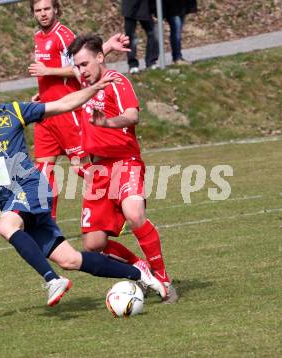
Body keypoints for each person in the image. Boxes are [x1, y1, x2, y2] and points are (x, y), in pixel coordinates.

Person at [0, 64, 167, 307]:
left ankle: (52, 279)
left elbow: (63, 104)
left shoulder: (14, 112)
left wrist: (92, 89)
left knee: (5, 225)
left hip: (30, 187)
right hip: (12, 200)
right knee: (70, 259)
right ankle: (140, 274)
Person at [67, 34, 178, 303]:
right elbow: (83, 66)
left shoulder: (118, 81)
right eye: (78, 66)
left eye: (84, 64)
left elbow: (132, 115)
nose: (81, 71)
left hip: (124, 160)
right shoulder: (86, 82)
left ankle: (163, 279)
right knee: (93, 246)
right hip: (98, 171)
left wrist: (107, 123)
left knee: (134, 212)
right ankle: (140, 267)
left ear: (100, 59)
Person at [28, 0, 130, 220]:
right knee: (43, 171)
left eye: (47, 9)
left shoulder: (63, 34)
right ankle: (49, 224)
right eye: (38, 10)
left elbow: (78, 67)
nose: (43, 14)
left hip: (67, 110)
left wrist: (48, 71)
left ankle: (121, 201)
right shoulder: (38, 37)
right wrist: (43, 93)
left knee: (80, 167)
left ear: (56, 9)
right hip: (46, 112)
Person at [122, 0, 159, 73]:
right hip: (130, 8)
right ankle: (133, 65)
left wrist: (153, 8)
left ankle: (151, 62)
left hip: (144, 7)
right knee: (130, 36)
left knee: (153, 32)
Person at [161, 0, 198, 64]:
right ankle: (177, 58)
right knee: (176, 32)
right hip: (171, 8)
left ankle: (176, 57)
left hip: (181, 7)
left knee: (176, 32)